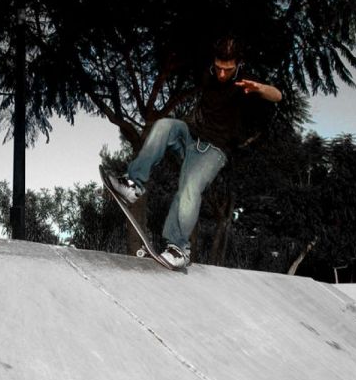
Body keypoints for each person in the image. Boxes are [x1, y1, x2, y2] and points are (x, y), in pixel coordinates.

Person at [107, 37, 282, 268]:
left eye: (227, 70)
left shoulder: (244, 83)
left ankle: (180, 248)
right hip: (190, 137)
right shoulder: (207, 72)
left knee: (189, 187)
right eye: (218, 67)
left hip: (213, 151)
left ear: (237, 65)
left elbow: (277, 95)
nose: (221, 74)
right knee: (163, 126)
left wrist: (260, 89)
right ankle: (134, 185)